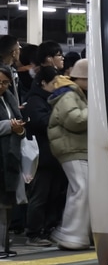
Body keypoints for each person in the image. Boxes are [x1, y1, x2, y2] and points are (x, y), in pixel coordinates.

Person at [47, 58, 89, 250]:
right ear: (82, 78)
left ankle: (71, 233)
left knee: (79, 189)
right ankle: (71, 235)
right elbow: (75, 121)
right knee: (82, 188)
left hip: (74, 148)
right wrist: (95, 110)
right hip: (71, 148)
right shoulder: (69, 96)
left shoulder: (75, 94)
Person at [23, 64, 67, 247]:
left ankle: (48, 229)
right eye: (53, 82)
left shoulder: (50, 98)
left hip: (54, 155)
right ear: (43, 83)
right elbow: (42, 122)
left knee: (53, 195)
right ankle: (33, 233)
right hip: (42, 156)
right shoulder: (35, 101)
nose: (57, 85)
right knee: (40, 196)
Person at [0, 70, 27, 257]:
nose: (2, 86)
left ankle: (4, 245)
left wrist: (18, 129)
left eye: (5, 82)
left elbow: (19, 125)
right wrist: (10, 125)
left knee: (7, 203)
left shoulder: (8, 97)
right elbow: (10, 123)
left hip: (9, 156)